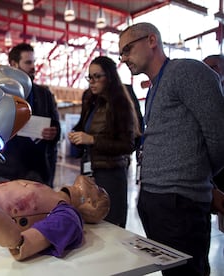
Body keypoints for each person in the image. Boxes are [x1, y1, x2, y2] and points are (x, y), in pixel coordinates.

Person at [119, 22, 224, 275]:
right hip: (157, 199)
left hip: (180, 201)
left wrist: (198, 178)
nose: (124, 59)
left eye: (128, 49)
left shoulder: (186, 72)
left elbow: (218, 135)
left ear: (152, 40)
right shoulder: (157, 86)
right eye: (121, 54)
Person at [68, 56, 140, 228]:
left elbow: (128, 145)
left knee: (111, 226)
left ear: (109, 76)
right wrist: (75, 136)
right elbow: (83, 128)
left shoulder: (120, 102)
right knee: (91, 225)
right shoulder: (90, 100)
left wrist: (92, 140)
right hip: (89, 171)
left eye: (97, 77)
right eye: (90, 77)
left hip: (111, 174)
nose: (92, 82)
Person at [0, 43, 61, 187]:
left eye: (33, 62)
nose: (33, 66)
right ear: (14, 64)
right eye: (28, 62)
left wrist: (54, 132)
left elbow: (55, 124)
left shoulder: (44, 94)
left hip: (40, 169)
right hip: (10, 169)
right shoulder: (1, 94)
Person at [203, 54, 224, 193]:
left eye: (214, 67)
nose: (209, 72)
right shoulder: (200, 101)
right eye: (204, 68)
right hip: (211, 171)